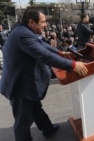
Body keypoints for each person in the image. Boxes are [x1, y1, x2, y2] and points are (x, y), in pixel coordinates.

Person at [0, 8, 88, 141]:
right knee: (23, 121)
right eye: (43, 22)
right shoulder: (22, 35)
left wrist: (59, 53)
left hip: (24, 81)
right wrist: (73, 65)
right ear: (31, 22)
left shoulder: (22, 29)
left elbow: (41, 44)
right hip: (19, 84)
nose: (46, 24)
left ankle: (47, 128)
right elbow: (43, 55)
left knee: (35, 107)